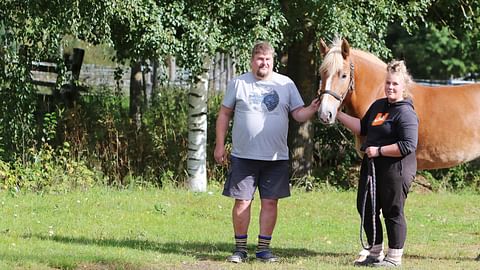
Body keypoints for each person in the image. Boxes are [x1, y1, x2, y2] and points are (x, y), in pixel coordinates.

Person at [214, 41, 320, 263]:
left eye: (268, 59)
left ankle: (263, 250)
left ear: (273, 61)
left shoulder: (286, 84)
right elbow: (224, 114)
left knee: (270, 202)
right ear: (252, 61)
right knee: (242, 201)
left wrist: (312, 108)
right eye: (259, 58)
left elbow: (298, 115)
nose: (264, 63)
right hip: (243, 155)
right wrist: (219, 144)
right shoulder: (239, 83)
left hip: (275, 157)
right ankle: (240, 249)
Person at [336, 60, 418, 267]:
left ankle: (394, 257)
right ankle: (374, 252)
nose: (390, 87)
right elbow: (362, 128)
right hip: (372, 165)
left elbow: (408, 145)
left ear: (404, 87)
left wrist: (380, 151)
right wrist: (337, 114)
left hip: (396, 168)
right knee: (366, 208)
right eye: (388, 83)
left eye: (395, 84)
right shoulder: (378, 106)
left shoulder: (406, 112)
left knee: (392, 211)